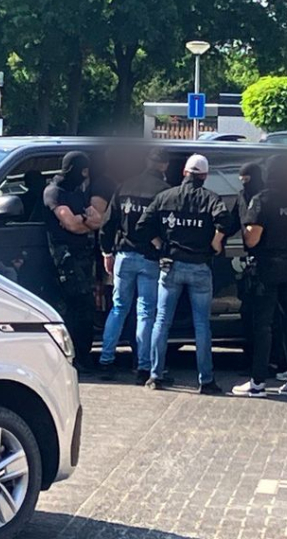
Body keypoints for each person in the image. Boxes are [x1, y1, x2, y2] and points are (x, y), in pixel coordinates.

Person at [137, 154, 231, 393]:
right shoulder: (211, 198)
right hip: (200, 266)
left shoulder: (165, 196)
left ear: (184, 173)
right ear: (205, 176)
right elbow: (224, 219)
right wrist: (216, 242)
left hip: (171, 265)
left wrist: (160, 246)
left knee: (161, 321)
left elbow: (142, 226)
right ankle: (206, 380)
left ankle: (155, 376)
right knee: (202, 325)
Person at [232, 156, 287, 398]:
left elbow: (253, 239)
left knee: (263, 325)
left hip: (266, 267)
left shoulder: (263, 199)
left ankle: (258, 383)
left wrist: (245, 226)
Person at [99, 148, 171, 384]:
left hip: (124, 255)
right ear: (165, 165)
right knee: (146, 312)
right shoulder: (163, 191)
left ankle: (106, 360)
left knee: (118, 308)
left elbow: (108, 223)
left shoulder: (124, 186)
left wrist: (107, 252)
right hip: (149, 258)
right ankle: (143, 366)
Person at [43, 151, 103, 371]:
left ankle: (84, 356)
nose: (85, 175)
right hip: (65, 260)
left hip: (83, 258)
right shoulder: (54, 192)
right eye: (83, 170)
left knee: (86, 308)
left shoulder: (77, 192)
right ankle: (73, 357)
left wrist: (82, 220)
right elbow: (70, 224)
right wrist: (84, 220)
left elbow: (98, 220)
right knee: (73, 308)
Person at [228, 163, 265, 373]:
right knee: (248, 313)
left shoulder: (265, 198)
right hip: (251, 263)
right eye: (241, 180)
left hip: (266, 261)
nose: (244, 184)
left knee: (265, 317)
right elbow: (231, 223)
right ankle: (251, 360)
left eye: (247, 180)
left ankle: (269, 361)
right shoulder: (242, 197)